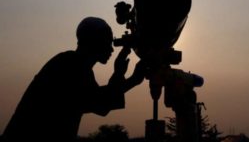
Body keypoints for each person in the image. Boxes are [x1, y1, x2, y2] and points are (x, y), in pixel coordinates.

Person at [2, 17, 146, 142]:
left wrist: (125, 76)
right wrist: (127, 76)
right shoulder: (70, 65)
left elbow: (100, 101)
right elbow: (101, 104)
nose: (111, 49)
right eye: (108, 42)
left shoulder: (72, 63)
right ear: (95, 41)